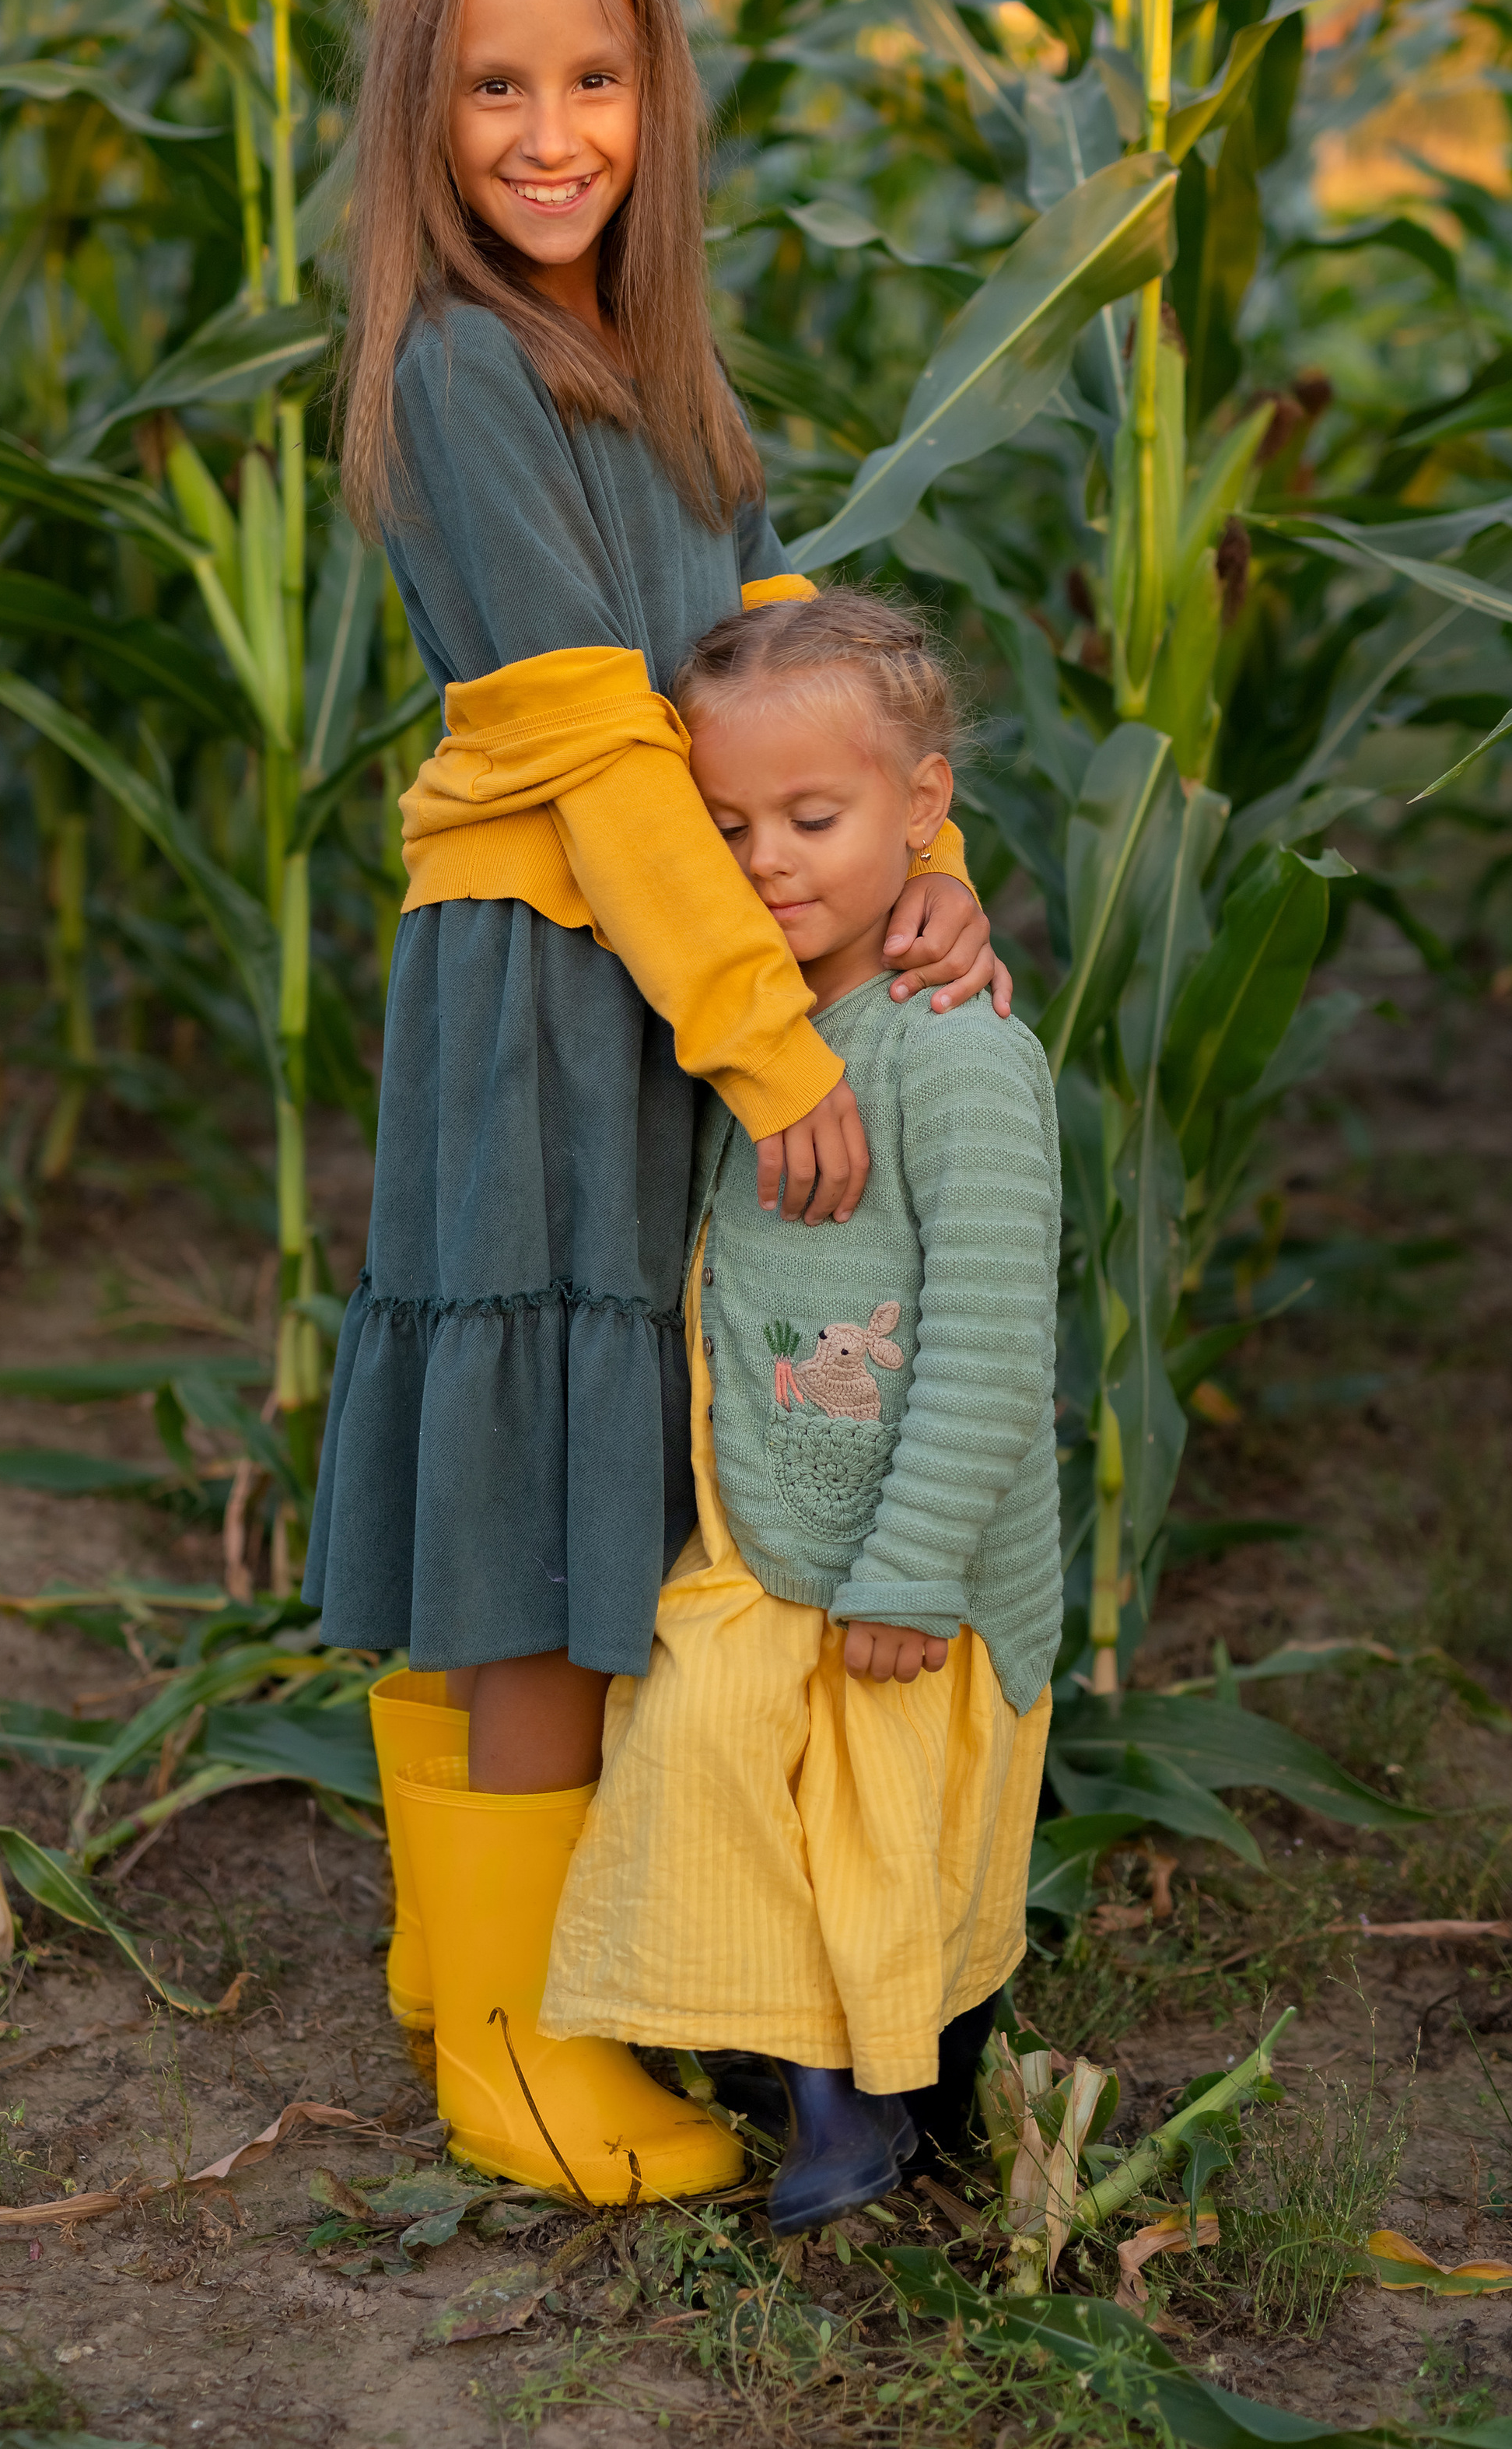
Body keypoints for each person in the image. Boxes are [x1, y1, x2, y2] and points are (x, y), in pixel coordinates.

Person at [307, 0, 1010, 2205]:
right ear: (422, 114)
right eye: (494, 82)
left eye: (594, 76)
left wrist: (926, 873)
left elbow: (775, 665)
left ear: (656, 100)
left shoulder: (655, 371)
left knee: (565, 1448)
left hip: (647, 984)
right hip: (544, 985)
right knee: (533, 1479)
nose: (548, 128)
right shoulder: (461, 366)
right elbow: (610, 755)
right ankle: (513, 2054)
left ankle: (465, 1962)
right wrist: (769, 1041)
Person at [540, 588, 1062, 2236]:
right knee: (705, 1766)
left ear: (922, 810)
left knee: (885, 1843)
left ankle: (892, 2094)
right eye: (724, 827)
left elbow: (986, 1345)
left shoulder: (950, 1057)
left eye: (811, 819)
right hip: (769, 1527)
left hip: (913, 1562)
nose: (764, 860)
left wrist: (911, 1570)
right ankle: (811, 2070)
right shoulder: (761, 1027)